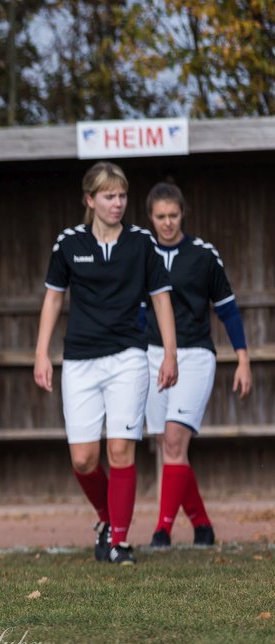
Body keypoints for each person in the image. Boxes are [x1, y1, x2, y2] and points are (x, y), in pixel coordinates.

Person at [32, 161, 178, 566]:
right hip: (79, 360)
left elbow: (162, 298)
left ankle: (118, 541)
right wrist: (41, 352)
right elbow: (53, 298)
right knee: (83, 459)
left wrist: (169, 351)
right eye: (109, 196)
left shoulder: (142, 243)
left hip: (128, 357)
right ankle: (105, 518)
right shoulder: (68, 243)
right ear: (90, 199)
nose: (117, 203)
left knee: (119, 450)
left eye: (122, 196)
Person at [142, 182, 252, 548]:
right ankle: (203, 526)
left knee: (174, 440)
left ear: (183, 214)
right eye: (161, 216)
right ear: (150, 217)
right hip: (151, 356)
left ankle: (162, 531)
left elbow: (228, 309)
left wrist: (242, 358)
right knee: (168, 446)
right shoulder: (140, 253)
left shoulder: (204, 255)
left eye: (173, 215)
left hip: (195, 355)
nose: (168, 223)